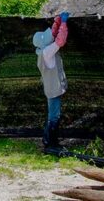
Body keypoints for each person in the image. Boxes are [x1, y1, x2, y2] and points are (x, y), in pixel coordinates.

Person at [33, 12, 70, 149]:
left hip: (51, 87)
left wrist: (58, 21)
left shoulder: (42, 50)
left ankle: (47, 140)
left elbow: (53, 34)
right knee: (54, 117)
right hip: (53, 89)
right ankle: (51, 143)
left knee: (52, 115)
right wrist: (64, 23)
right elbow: (60, 40)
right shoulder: (47, 52)